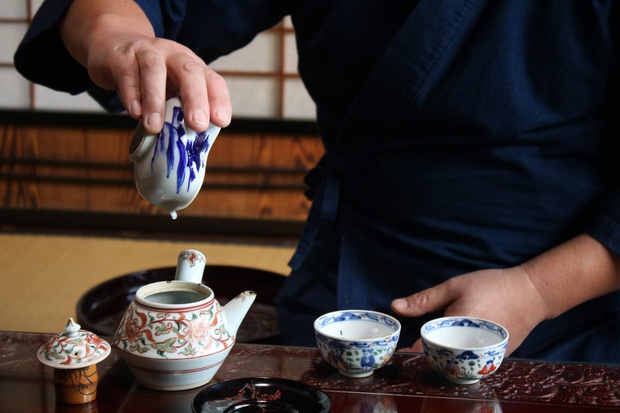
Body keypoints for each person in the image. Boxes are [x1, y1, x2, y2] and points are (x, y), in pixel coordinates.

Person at [15, 0, 620, 362]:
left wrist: (536, 292)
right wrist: (121, 39)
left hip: (565, 293)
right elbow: (118, 5)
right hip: (350, 264)